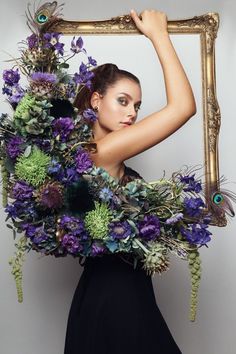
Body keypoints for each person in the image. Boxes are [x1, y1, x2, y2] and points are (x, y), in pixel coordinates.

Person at [64, 9, 196, 354]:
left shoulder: (90, 154)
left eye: (136, 105)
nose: (132, 113)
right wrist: (159, 34)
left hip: (116, 293)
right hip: (116, 299)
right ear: (96, 100)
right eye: (122, 101)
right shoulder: (100, 151)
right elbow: (183, 106)